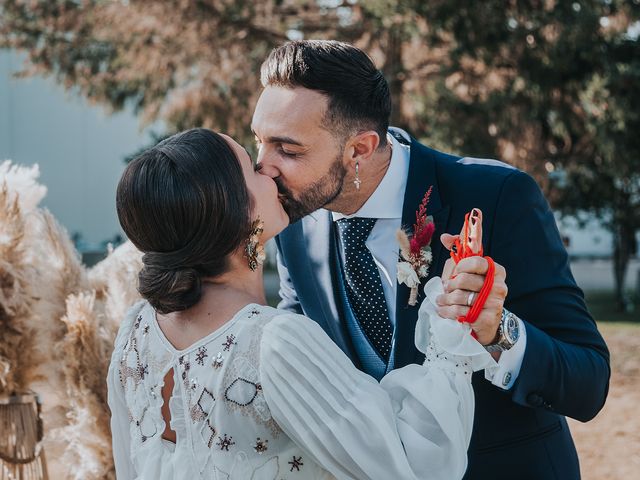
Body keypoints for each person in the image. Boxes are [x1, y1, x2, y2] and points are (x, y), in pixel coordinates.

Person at [252, 40, 610, 480]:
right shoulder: (293, 221)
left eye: (287, 149)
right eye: (259, 140)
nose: (261, 166)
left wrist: (498, 333)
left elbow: (588, 383)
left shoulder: (496, 195)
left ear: (360, 149)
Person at [107, 128, 494, 479]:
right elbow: (411, 465)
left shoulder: (136, 335)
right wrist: (449, 330)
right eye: (251, 167)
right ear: (239, 213)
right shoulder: (273, 344)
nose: (269, 170)